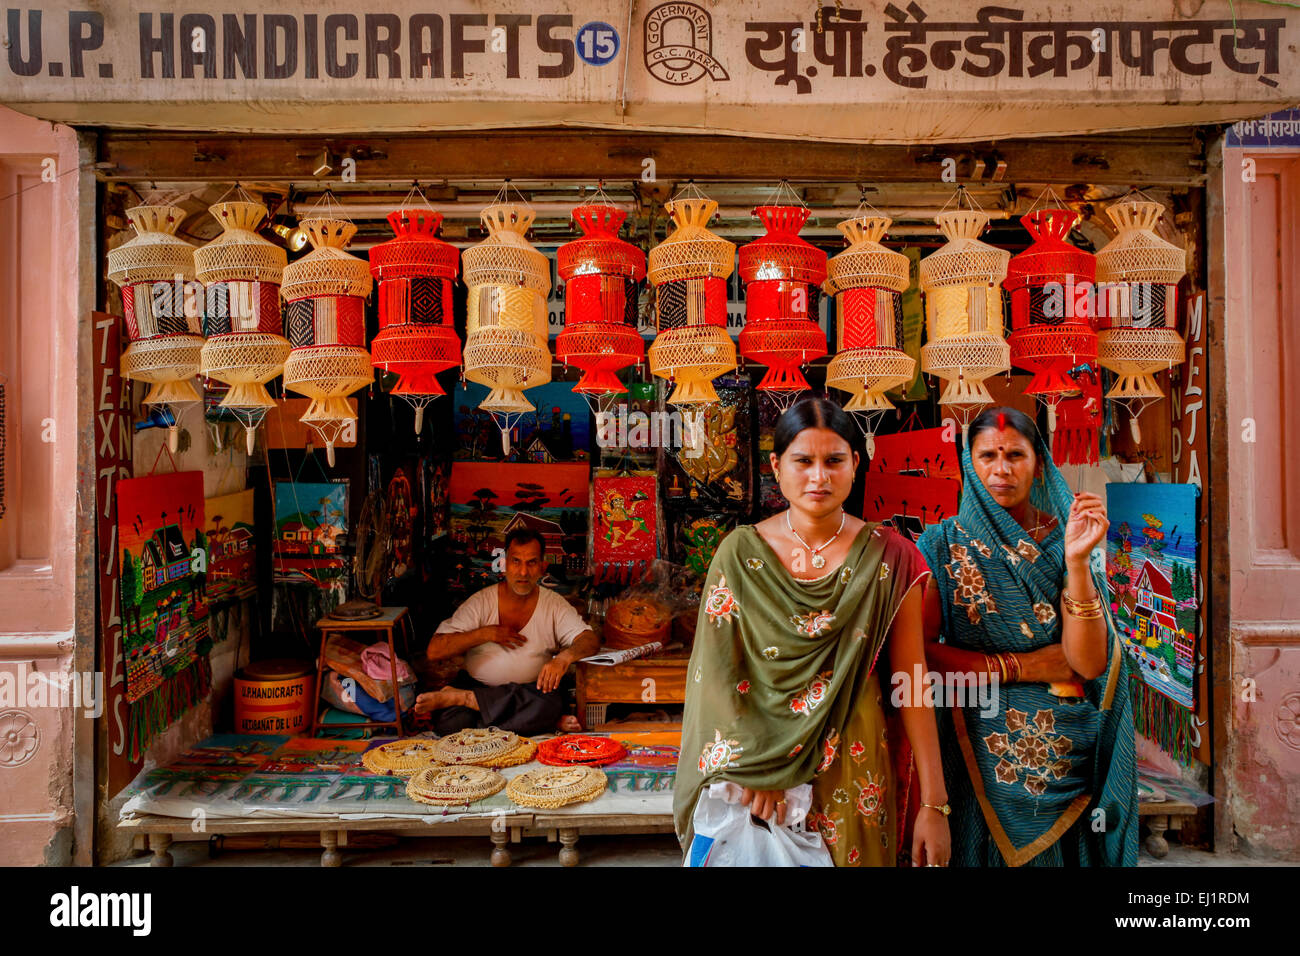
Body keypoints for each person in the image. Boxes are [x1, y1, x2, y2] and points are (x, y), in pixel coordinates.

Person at [674, 396, 951, 867]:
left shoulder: (891, 557)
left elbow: (912, 684)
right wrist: (756, 771)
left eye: (834, 461)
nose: (819, 477)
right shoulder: (740, 555)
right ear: (776, 465)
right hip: (755, 782)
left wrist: (934, 804)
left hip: (854, 765)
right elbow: (717, 678)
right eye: (803, 461)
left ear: (856, 464)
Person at [917, 407, 1137, 866]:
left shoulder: (1067, 539)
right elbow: (921, 659)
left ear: (1039, 461)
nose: (1002, 469)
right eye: (988, 455)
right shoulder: (939, 545)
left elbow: (1089, 664)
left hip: (1063, 751)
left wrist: (1077, 562)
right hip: (973, 746)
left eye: (1015, 454)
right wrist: (1022, 667)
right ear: (968, 463)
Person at [417, 528, 598, 736]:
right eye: (516, 561)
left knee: (547, 705)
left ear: (542, 567)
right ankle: (530, 721)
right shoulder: (481, 601)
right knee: (452, 723)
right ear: (504, 565)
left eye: (531, 562)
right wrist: (486, 634)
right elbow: (434, 650)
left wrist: (564, 658)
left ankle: (465, 699)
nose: (523, 572)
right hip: (479, 686)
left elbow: (590, 640)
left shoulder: (554, 604)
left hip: (531, 691)